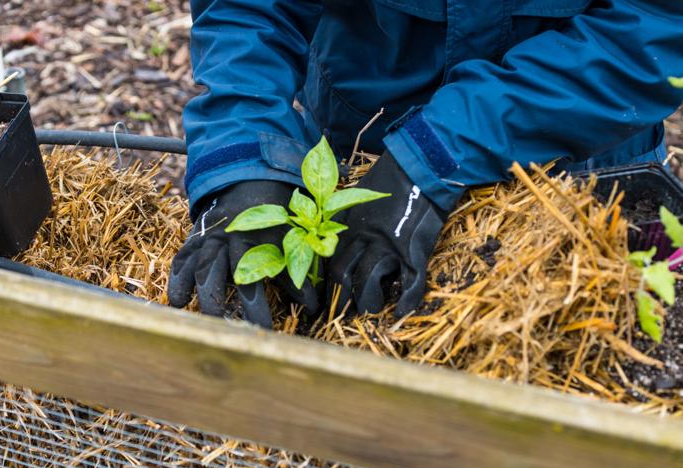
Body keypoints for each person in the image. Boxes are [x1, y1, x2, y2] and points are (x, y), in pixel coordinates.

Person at [168, 0, 683, 328]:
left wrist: (436, 152)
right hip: (360, 148)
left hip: (582, 162)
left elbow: (657, 25)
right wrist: (244, 159)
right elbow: (249, 8)